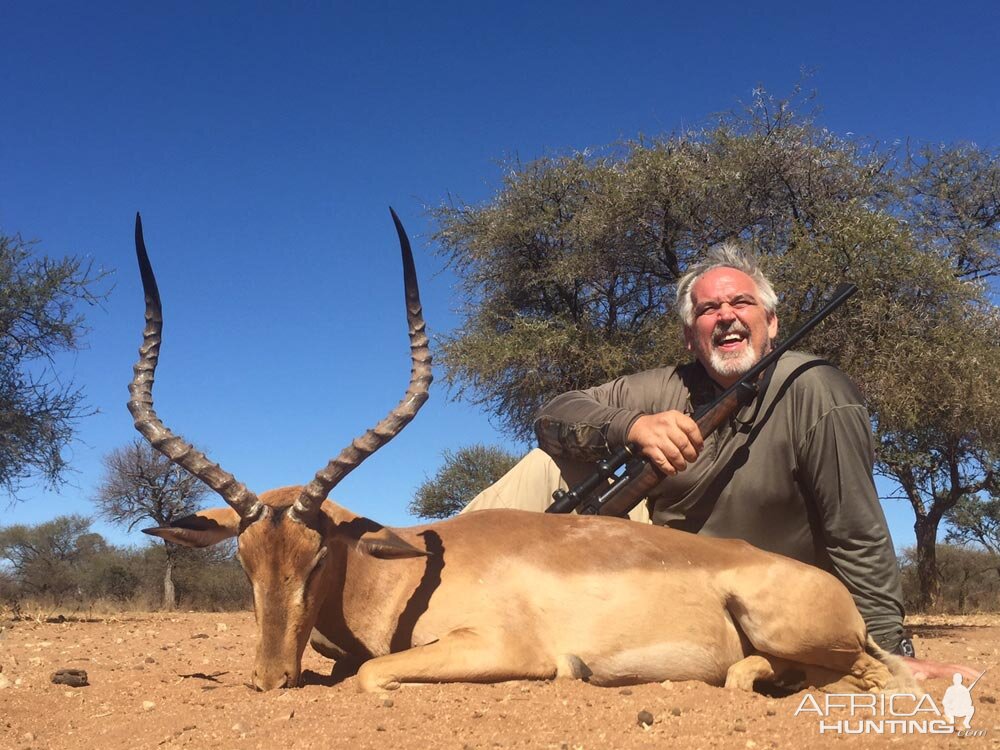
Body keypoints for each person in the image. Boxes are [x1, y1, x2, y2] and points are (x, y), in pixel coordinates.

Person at [462, 243, 910, 655]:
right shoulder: (665, 386)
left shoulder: (815, 388)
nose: (726, 316)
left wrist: (888, 650)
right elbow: (554, 413)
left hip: (754, 601)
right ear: (690, 336)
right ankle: (429, 584)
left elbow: (857, 533)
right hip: (649, 574)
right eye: (708, 309)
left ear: (771, 322)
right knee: (548, 465)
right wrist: (632, 426)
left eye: (741, 302)